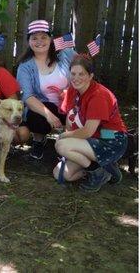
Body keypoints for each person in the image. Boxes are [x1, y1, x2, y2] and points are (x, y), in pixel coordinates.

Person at [52, 55, 128, 192]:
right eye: (73, 73)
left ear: (90, 75)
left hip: (113, 137)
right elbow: (70, 118)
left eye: (81, 74)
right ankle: (106, 168)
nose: (76, 78)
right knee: (60, 174)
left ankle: (97, 172)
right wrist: (69, 136)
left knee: (61, 144)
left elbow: (87, 131)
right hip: (91, 138)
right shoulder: (72, 90)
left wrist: (65, 136)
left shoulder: (98, 94)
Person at [17, 20, 76, 161]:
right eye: (34, 38)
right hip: (43, 106)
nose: (39, 42)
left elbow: (84, 75)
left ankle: (72, 144)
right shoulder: (25, 66)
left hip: (70, 102)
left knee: (80, 114)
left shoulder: (67, 55)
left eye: (43, 37)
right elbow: (28, 97)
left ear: (50, 39)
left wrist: (70, 93)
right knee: (36, 118)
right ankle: (39, 140)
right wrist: (49, 115)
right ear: (29, 41)